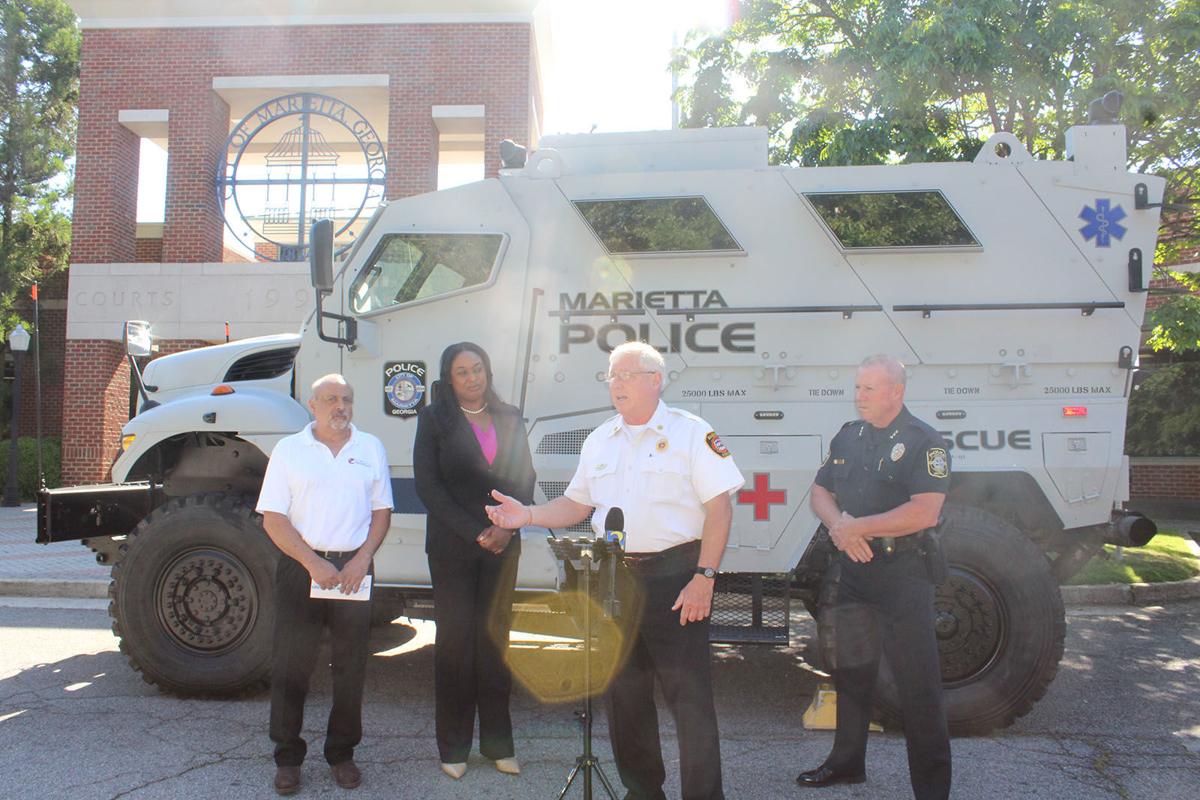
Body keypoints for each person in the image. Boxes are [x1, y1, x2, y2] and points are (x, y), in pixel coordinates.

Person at [488, 340, 744, 800]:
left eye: (626, 374)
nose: (617, 384)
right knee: (625, 700)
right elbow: (575, 505)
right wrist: (525, 515)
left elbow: (720, 509)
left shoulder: (690, 433)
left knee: (690, 705)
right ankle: (643, 791)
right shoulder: (600, 438)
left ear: (655, 380)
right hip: (615, 582)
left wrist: (704, 578)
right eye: (611, 375)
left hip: (677, 579)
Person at [797, 355, 952, 799]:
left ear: (895, 393)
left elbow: (925, 511)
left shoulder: (925, 442)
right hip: (855, 570)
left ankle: (932, 789)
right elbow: (820, 491)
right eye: (858, 387)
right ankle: (846, 764)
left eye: (868, 388)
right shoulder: (851, 435)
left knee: (918, 687)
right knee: (851, 673)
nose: (859, 396)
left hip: (903, 576)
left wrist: (857, 528)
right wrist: (840, 530)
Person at [256, 374, 394, 796]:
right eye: (331, 399)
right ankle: (287, 758)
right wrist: (313, 563)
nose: (341, 406)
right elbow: (273, 519)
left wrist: (362, 560)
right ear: (311, 405)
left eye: (347, 399)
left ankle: (342, 754)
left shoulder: (369, 447)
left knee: (351, 668)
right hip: (303, 568)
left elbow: (381, 513)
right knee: (291, 667)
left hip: (354, 572)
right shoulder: (289, 450)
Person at [413, 342, 535, 780]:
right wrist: (475, 532)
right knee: (456, 646)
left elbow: (526, 476)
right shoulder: (433, 420)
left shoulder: (510, 416)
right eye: (462, 372)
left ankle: (500, 744)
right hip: (453, 549)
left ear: (488, 372)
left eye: (478, 369)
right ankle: (454, 748)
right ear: (450, 379)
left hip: (504, 546)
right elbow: (427, 486)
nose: (472, 378)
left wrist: (507, 527)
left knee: (495, 644)